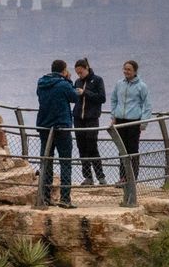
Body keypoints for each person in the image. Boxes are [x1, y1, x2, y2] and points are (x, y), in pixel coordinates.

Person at [34, 59, 76, 209]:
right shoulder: (64, 84)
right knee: (65, 162)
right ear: (64, 71)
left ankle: (45, 197)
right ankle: (65, 199)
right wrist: (69, 80)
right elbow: (74, 98)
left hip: (44, 126)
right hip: (61, 127)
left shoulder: (41, 82)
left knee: (46, 161)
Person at [110, 58, 150, 199]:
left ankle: (132, 178)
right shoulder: (119, 84)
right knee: (122, 149)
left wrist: (143, 122)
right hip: (120, 120)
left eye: (129, 69)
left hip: (133, 121)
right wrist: (113, 115)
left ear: (135, 71)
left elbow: (147, 105)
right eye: (125, 69)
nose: (126, 71)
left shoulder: (141, 86)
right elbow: (114, 99)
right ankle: (122, 177)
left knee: (132, 150)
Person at [71, 57, 107, 185]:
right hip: (78, 118)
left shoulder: (97, 80)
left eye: (81, 72)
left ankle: (100, 176)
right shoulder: (77, 82)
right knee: (82, 147)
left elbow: (102, 98)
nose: (79, 75)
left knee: (92, 146)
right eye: (77, 73)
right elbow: (74, 98)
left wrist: (85, 92)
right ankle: (87, 177)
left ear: (87, 68)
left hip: (91, 118)